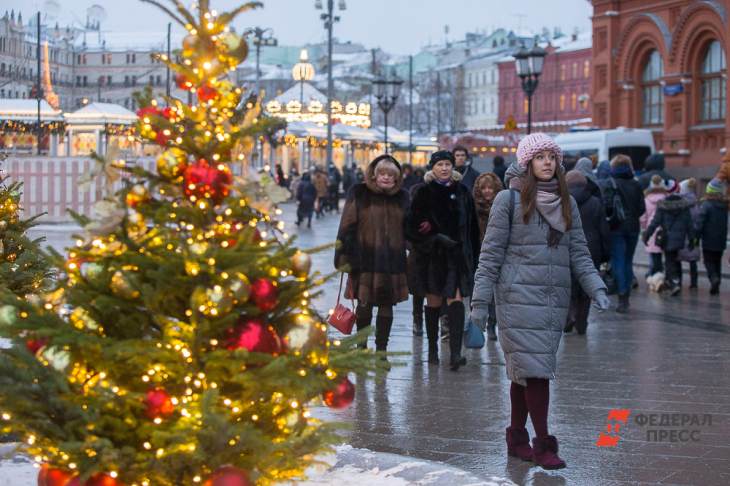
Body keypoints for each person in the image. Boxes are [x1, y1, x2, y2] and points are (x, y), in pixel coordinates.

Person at [470, 133, 609, 470]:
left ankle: (516, 438)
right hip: (516, 299)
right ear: (526, 162)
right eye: (540, 156)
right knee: (537, 373)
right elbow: (489, 257)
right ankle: (544, 444)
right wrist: (478, 305)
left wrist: (596, 287)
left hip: (553, 301)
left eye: (551, 157)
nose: (547, 162)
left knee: (525, 372)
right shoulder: (508, 200)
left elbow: (579, 253)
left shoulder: (567, 202)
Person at [406, 150, 481, 370]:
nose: (445, 168)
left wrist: (473, 257)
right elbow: (410, 228)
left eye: (448, 164)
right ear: (433, 168)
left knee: (456, 301)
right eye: (440, 165)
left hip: (457, 258)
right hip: (432, 259)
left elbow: (472, 229)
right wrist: (432, 238)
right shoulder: (423, 193)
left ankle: (455, 354)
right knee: (434, 303)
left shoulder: (463, 192)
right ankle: (432, 349)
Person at [334, 155, 410, 356]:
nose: (386, 178)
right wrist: (344, 256)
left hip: (392, 262)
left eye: (390, 175)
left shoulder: (402, 197)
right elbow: (346, 226)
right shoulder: (360, 193)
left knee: (386, 306)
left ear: (396, 178)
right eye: (382, 174)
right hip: (364, 260)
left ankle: (381, 351)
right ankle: (361, 346)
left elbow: (409, 228)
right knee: (364, 305)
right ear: (374, 175)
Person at [564, 170, 610, 335]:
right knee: (586, 288)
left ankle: (569, 316)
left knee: (568, 285)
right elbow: (604, 230)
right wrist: (606, 253)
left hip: (567, 248)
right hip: (592, 248)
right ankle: (582, 322)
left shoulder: (562, 202)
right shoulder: (595, 203)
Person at [604, 154, 645, 313]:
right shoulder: (636, 184)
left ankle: (621, 295)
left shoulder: (611, 183)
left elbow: (607, 206)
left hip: (616, 227)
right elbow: (642, 208)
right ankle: (625, 295)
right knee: (628, 261)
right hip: (633, 227)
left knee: (618, 261)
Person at [643, 180, 695, 296]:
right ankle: (675, 281)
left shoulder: (662, 205)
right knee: (674, 259)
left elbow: (655, 222)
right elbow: (689, 224)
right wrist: (692, 239)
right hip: (679, 238)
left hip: (667, 238)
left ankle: (674, 282)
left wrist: (647, 235)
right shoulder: (684, 205)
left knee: (669, 261)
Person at [472, 172, 504, 341]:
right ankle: (480, 325)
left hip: (498, 254)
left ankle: (492, 324)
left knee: (496, 292)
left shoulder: (503, 207)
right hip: (479, 254)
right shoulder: (474, 208)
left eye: (490, 188)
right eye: (483, 188)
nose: (487, 191)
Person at [696, 178, 728, 295]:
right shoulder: (724, 206)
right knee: (717, 262)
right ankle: (716, 286)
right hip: (721, 240)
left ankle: (714, 278)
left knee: (708, 261)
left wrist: (695, 238)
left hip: (709, 240)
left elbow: (699, 223)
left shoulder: (706, 205)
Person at [640, 175, 669, 277]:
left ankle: (654, 273)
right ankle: (658, 274)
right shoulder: (666, 198)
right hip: (664, 230)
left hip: (651, 229)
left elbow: (643, 217)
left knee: (653, 254)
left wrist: (644, 228)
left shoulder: (647, 199)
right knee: (662, 255)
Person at [678, 178, 700, 289]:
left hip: (681, 235)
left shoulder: (680, 204)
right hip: (693, 235)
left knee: (678, 259)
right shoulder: (695, 203)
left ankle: (679, 282)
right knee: (692, 260)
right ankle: (694, 283)